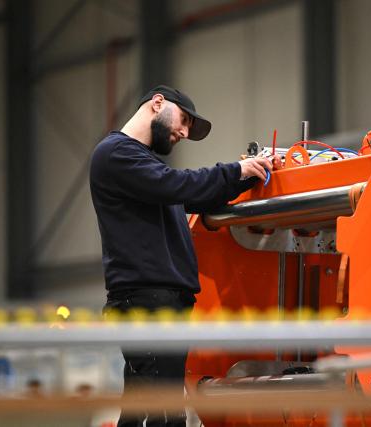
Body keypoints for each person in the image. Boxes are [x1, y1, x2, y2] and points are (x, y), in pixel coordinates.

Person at [89, 85, 272, 427]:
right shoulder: (115, 154)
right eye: (184, 120)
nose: (184, 132)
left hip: (160, 300)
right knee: (157, 413)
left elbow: (197, 196)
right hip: (146, 301)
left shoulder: (146, 170)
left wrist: (246, 177)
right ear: (157, 104)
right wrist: (235, 170)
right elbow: (180, 185)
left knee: (149, 408)